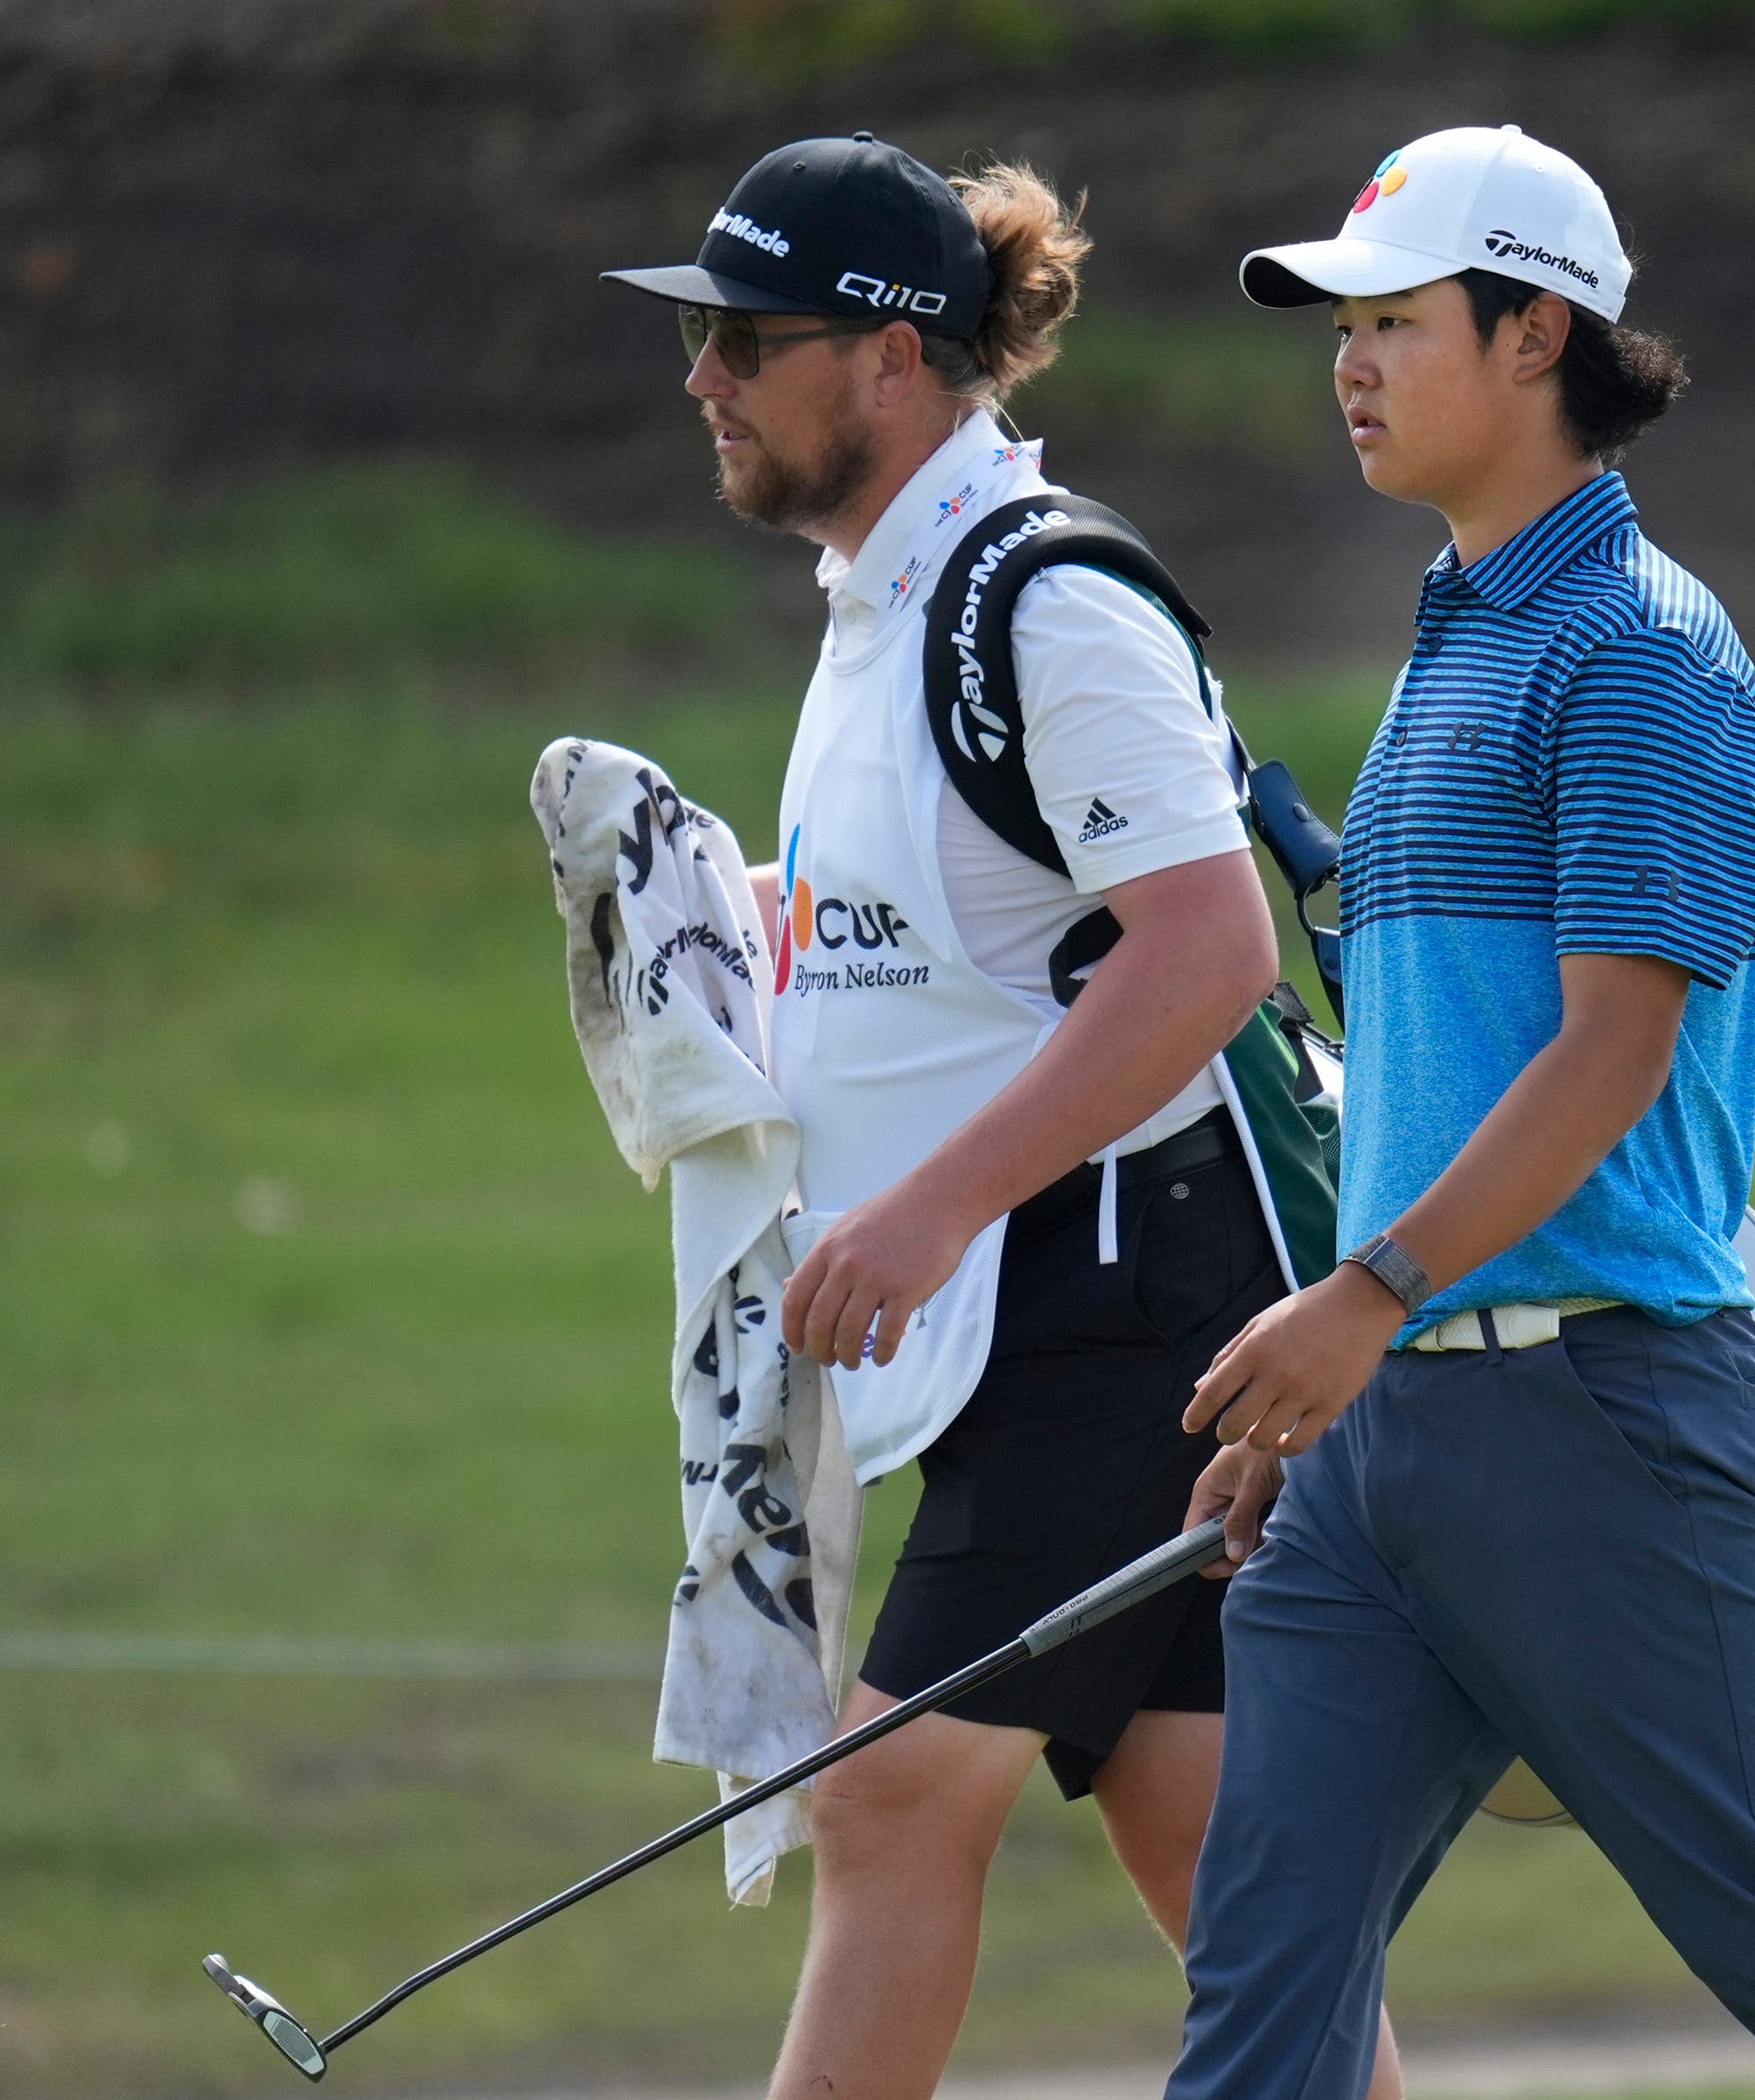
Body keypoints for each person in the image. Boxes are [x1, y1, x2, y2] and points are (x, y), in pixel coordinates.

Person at [1168, 127, 1755, 2100]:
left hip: (1595, 1419)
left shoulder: (1644, 654)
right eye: (1344, 326)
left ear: (1537, 329)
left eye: (1395, 321)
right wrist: (1339, 1376)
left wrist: (1363, 1298)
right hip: (1391, 1441)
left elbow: (1610, 1057)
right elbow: (1430, 1075)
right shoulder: (1454, 639)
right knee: (1263, 1980)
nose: (1351, 361)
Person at [601, 134, 1402, 2100]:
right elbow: (950, 957)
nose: (701, 373)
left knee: (886, 1810)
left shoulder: (1039, 603)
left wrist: (933, 1207)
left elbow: (1207, 950)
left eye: (743, 336)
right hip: (1038, 1319)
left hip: (1120, 1307)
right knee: (1213, 1857)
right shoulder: (879, 601)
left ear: (887, 356)